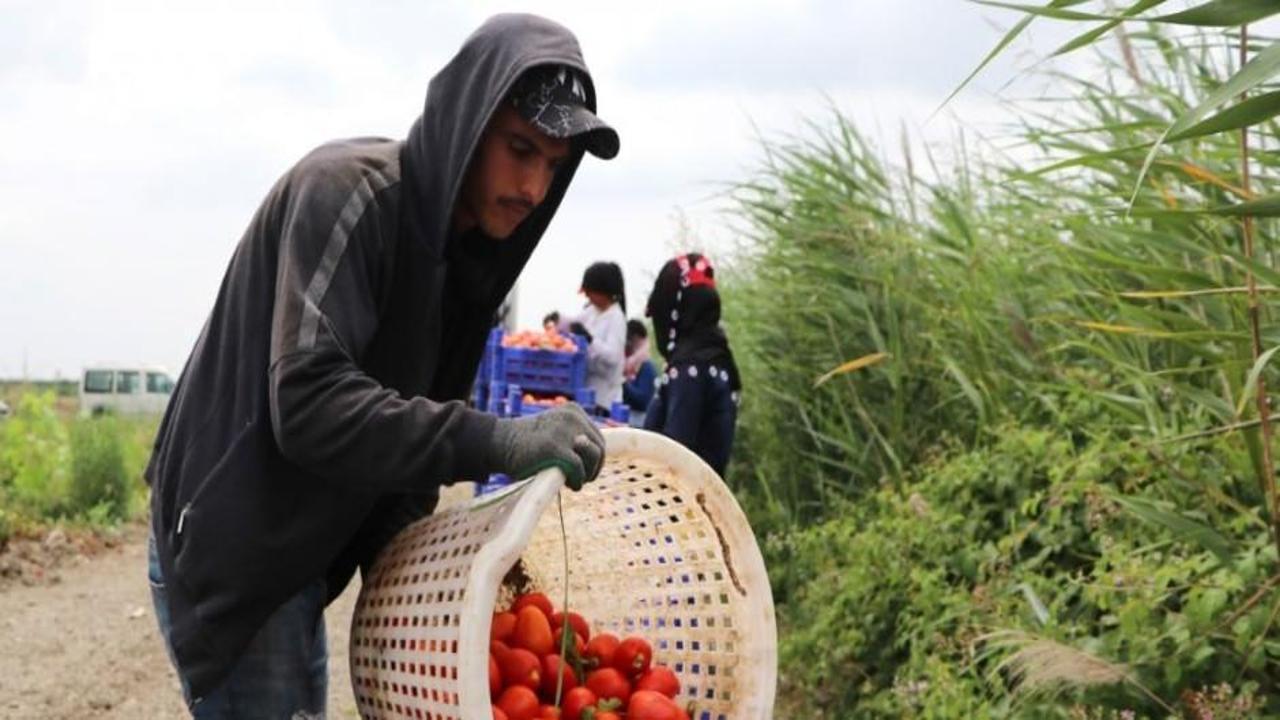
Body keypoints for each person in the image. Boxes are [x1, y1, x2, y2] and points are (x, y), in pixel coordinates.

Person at [144, 15, 619, 718]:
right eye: (520, 149)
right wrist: (495, 438)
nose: (532, 186)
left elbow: (409, 448)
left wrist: (412, 578)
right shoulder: (346, 195)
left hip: (299, 551)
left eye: (553, 165)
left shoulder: (467, 265)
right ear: (468, 124)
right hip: (239, 543)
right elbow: (308, 402)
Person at [643, 253, 741, 476]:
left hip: (683, 494)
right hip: (705, 492)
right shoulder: (719, 358)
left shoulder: (690, 369)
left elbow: (675, 458)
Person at [561, 261, 626, 414]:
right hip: (585, 395)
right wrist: (557, 320)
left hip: (603, 401)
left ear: (602, 292)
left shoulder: (616, 317)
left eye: (590, 292)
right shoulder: (591, 311)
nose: (588, 297)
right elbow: (572, 323)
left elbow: (613, 356)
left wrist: (590, 340)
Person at [623, 318, 657, 427]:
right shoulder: (630, 365)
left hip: (638, 422)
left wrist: (623, 383)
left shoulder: (647, 367)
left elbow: (642, 400)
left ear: (636, 338)